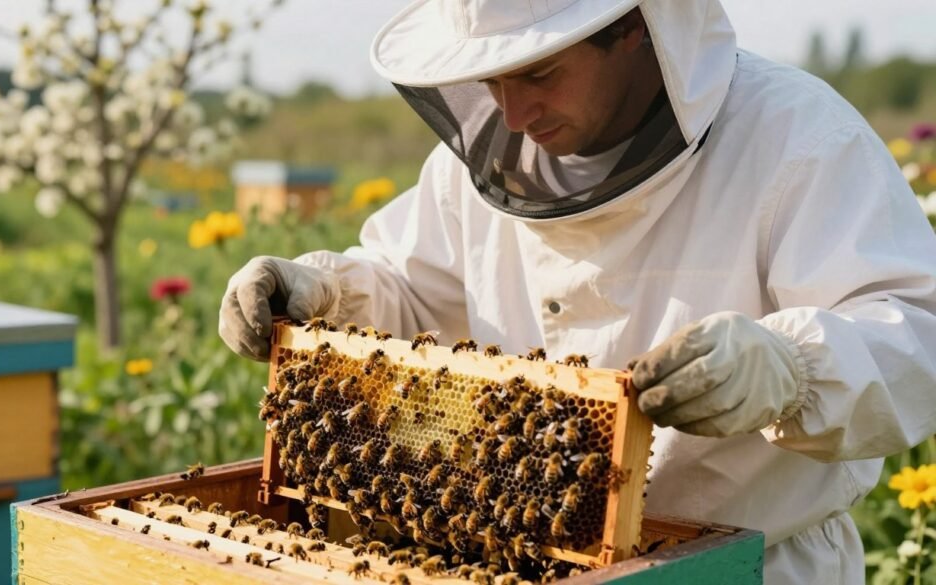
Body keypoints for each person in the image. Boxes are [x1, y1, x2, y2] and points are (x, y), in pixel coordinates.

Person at [219, 0, 936, 582]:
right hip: (518, 560)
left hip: (755, 564)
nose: (513, 114)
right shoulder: (475, 168)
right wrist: (323, 292)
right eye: (490, 80)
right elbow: (411, 294)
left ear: (630, 27)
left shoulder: (797, 138)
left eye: (539, 73)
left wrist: (792, 368)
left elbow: (914, 330)